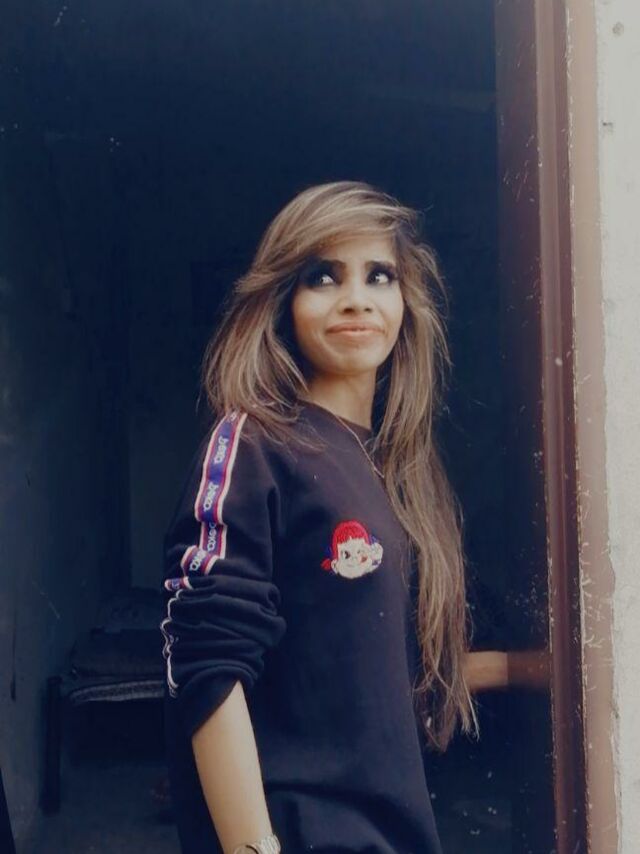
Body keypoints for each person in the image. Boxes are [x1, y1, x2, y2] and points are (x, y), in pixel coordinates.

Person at [160, 181, 548, 854]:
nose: (356, 299)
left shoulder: (395, 471)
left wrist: (537, 668)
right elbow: (206, 665)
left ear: (406, 302)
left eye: (379, 275)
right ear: (283, 301)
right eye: (323, 276)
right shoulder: (256, 444)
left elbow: (381, 671)